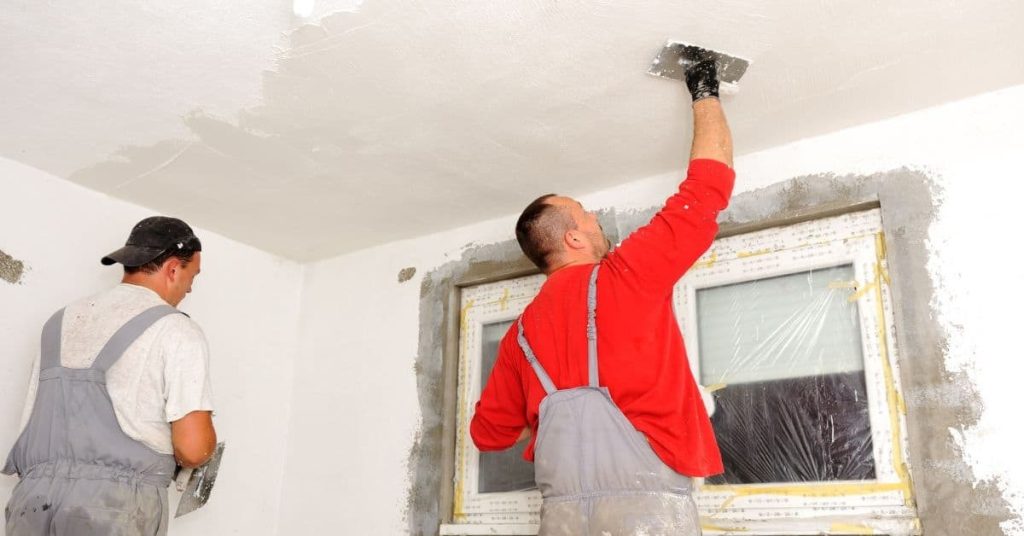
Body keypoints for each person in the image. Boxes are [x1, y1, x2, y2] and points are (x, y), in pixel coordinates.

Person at [470, 59, 735, 535]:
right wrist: (704, 86)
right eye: (588, 216)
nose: (597, 221)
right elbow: (706, 189)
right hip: (650, 516)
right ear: (573, 239)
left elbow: (488, 436)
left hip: (561, 520)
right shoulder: (625, 276)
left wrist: (553, 415)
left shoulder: (519, 338)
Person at [3, 216, 218, 536]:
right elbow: (192, 448)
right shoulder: (176, 329)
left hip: (33, 500)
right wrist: (206, 445)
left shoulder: (60, 321)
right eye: (192, 275)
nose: (190, 287)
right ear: (173, 268)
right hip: (115, 507)